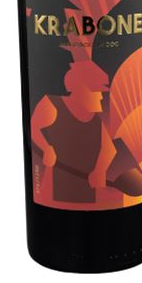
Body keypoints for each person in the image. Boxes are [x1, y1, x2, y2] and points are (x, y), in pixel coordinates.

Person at [31, 60, 116, 203]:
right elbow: (33, 126)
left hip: (87, 184)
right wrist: (46, 148)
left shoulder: (95, 119)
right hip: (55, 182)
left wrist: (99, 170)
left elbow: (109, 149)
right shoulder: (52, 105)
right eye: (96, 91)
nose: (101, 96)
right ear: (78, 87)